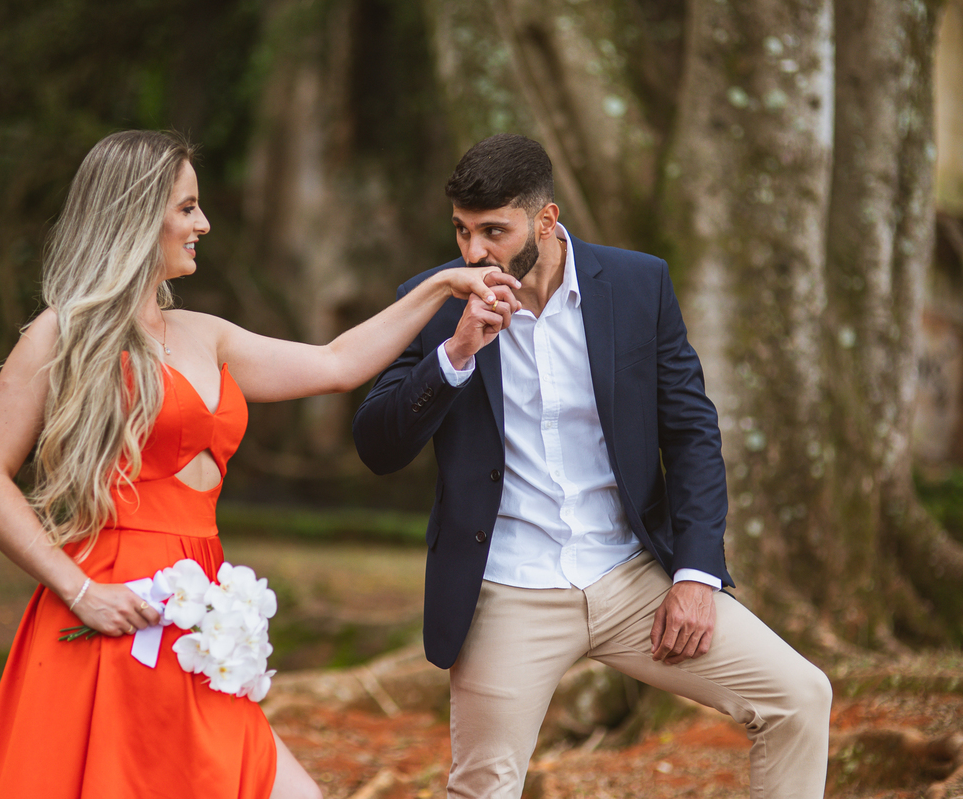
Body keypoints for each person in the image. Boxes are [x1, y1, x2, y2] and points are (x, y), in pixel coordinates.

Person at [0, 129, 519, 799]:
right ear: (138, 214)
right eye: (188, 208)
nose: (204, 224)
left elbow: (336, 362)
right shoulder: (63, 332)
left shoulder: (206, 334)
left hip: (199, 617)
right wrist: (80, 591)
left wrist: (442, 289)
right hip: (114, 608)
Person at [352, 133, 833, 798]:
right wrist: (457, 353)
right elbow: (377, 445)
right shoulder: (435, 303)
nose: (473, 253)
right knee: (481, 786)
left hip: (632, 576)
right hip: (507, 586)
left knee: (800, 695)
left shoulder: (639, 285)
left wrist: (697, 573)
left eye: (494, 230)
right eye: (462, 231)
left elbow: (691, 431)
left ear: (546, 221)